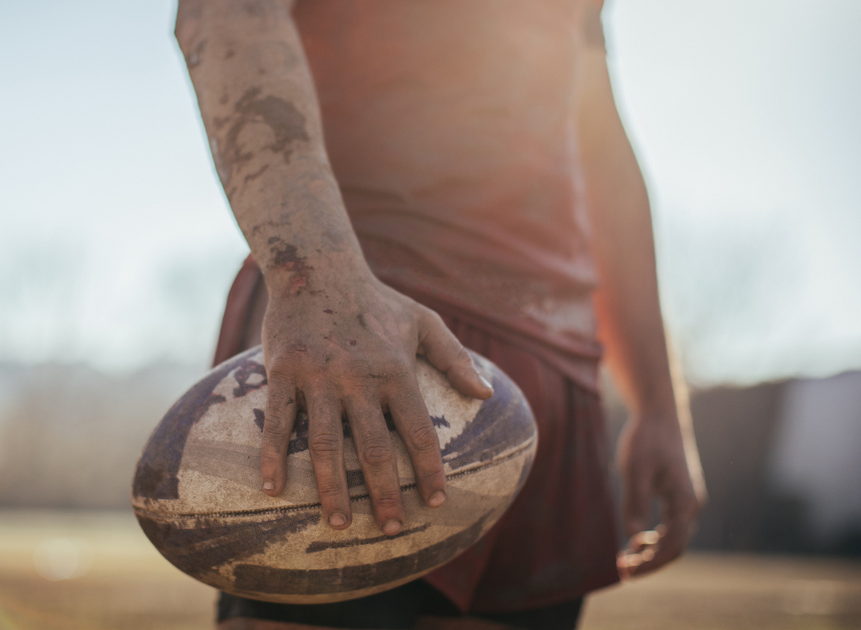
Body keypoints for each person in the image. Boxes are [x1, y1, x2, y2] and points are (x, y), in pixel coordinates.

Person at [176, 1, 705, 628]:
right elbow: (228, 13)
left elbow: (596, 139)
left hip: (551, 377)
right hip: (372, 338)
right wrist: (318, 277)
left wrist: (658, 405)